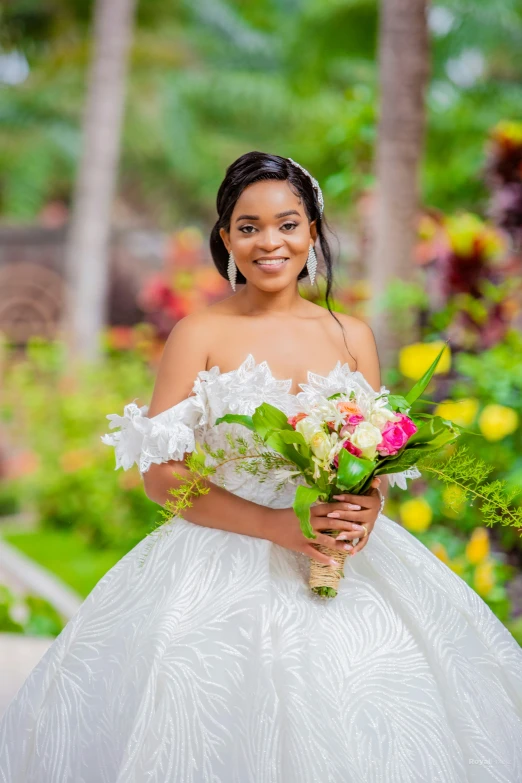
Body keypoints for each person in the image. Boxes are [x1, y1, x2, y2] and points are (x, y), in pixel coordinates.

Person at [1, 152, 521, 783]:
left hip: (340, 560)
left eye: (287, 224)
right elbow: (161, 477)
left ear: (312, 232)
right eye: (248, 227)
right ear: (225, 239)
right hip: (218, 559)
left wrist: (368, 507)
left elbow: (374, 460)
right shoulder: (200, 333)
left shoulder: (350, 333)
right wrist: (276, 526)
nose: (269, 242)